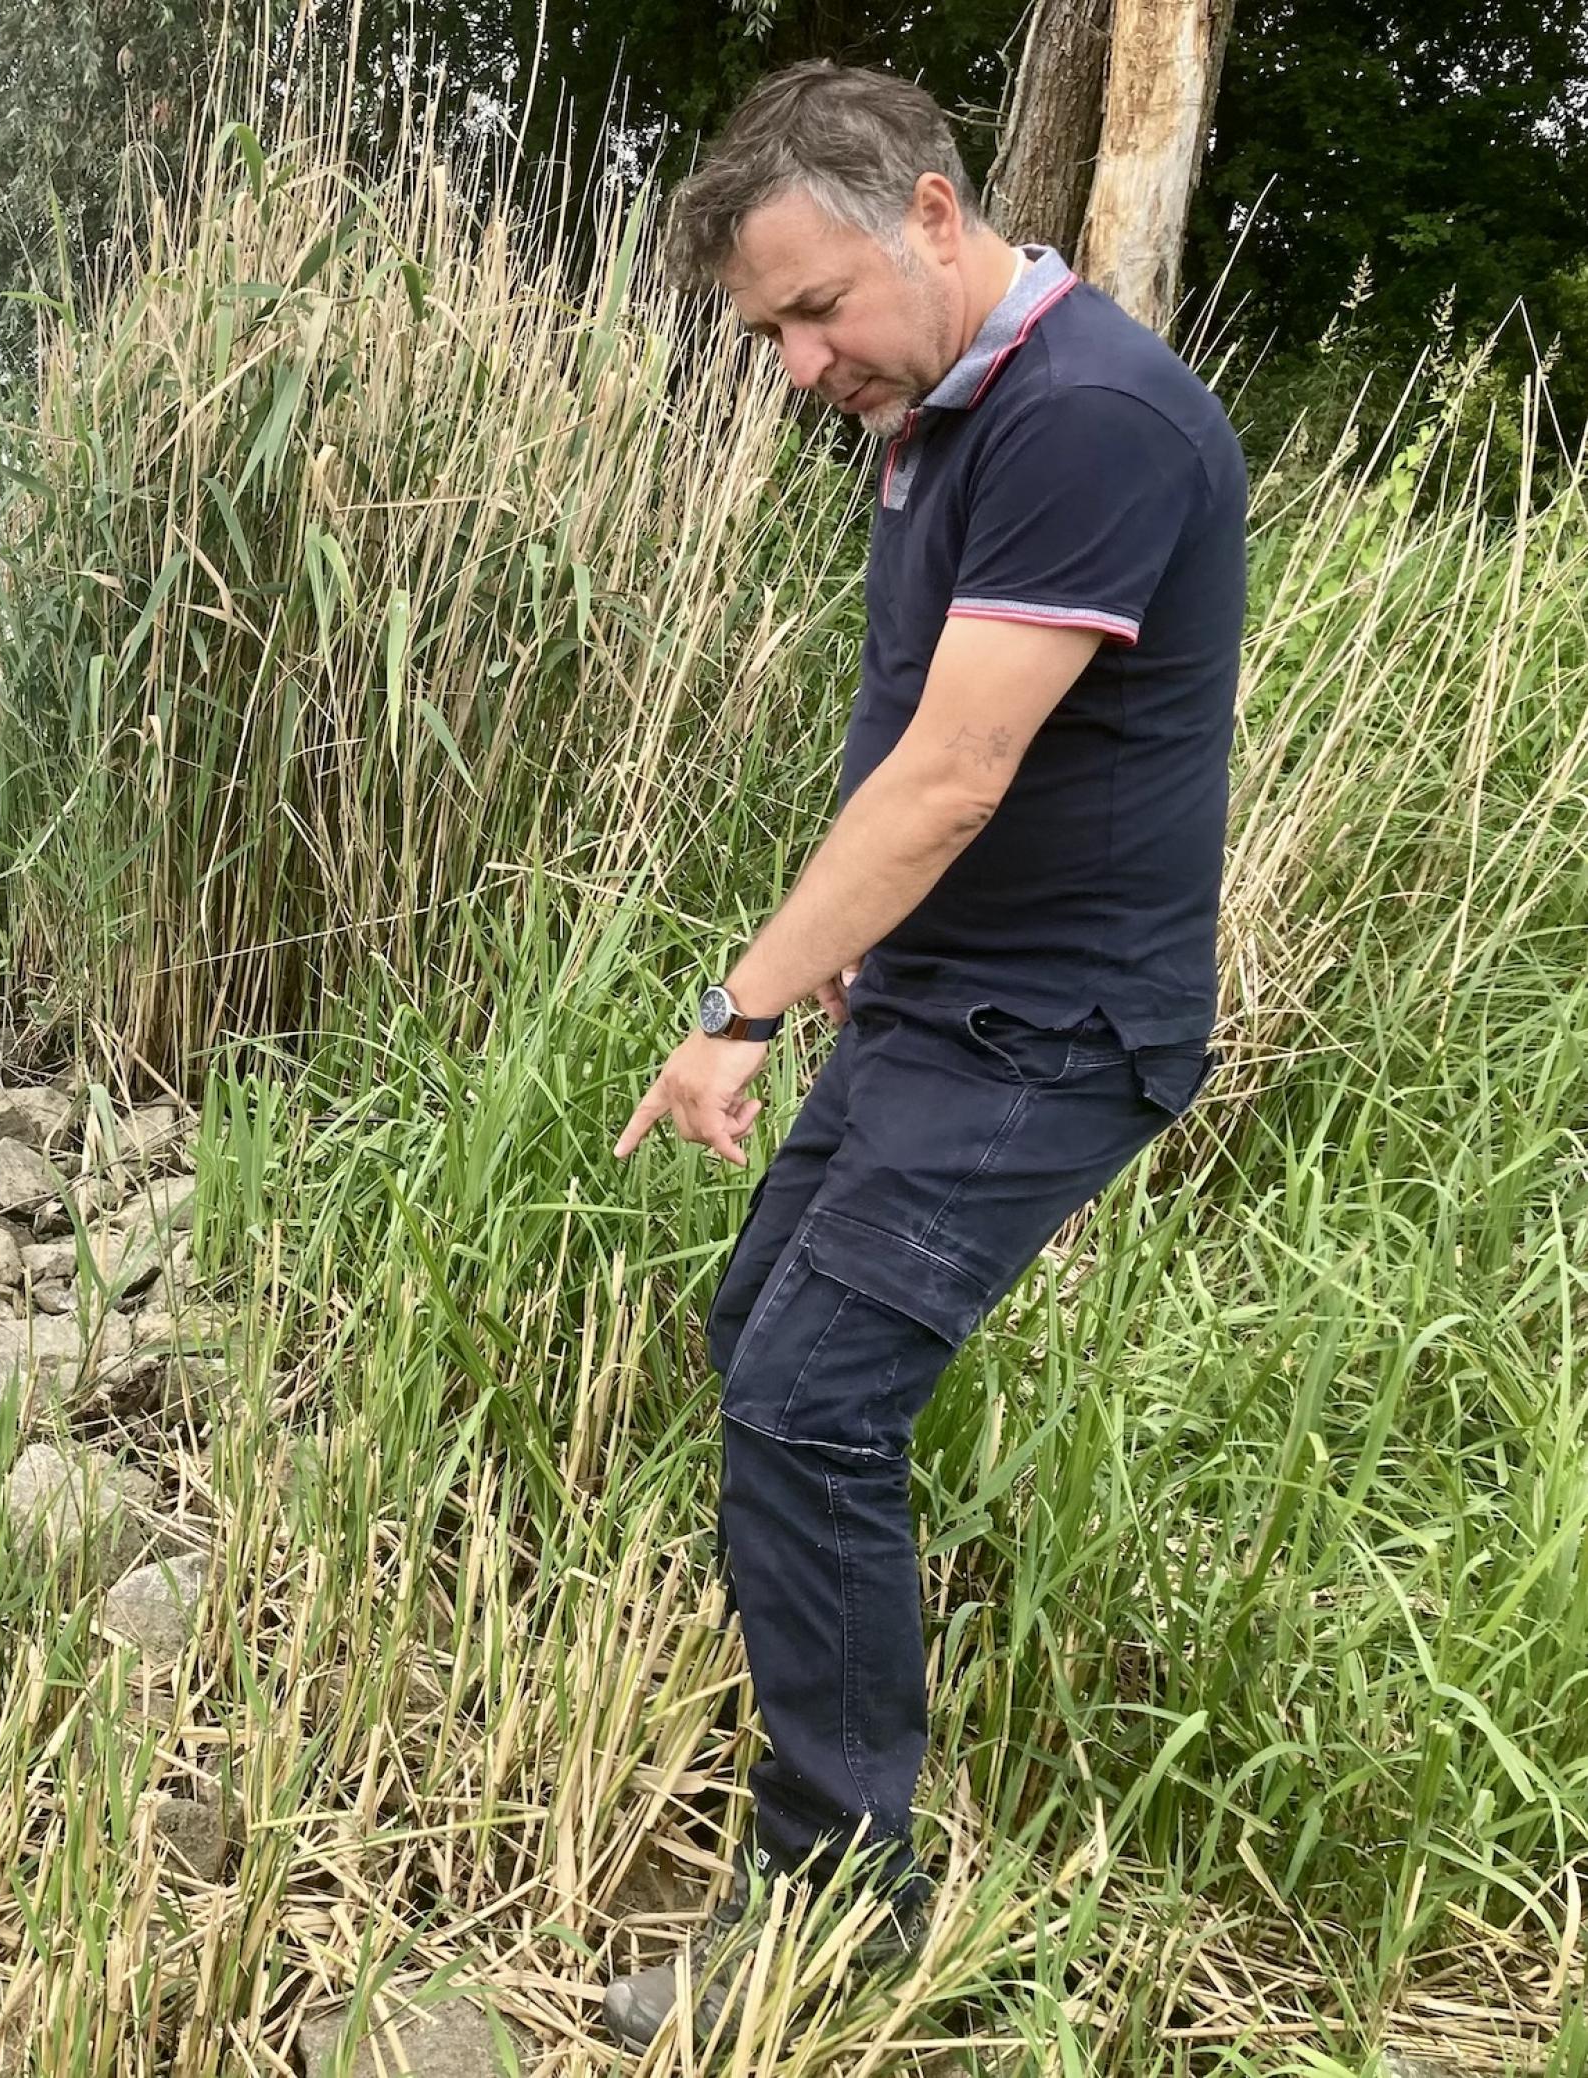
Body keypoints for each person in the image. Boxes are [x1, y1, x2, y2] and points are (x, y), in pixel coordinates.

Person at [602, 60, 1246, 2053]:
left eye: (818, 310)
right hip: (943, 997)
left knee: (804, 1405)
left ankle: (837, 1892)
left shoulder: (1092, 419)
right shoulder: (939, 402)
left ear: (939, 215)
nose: (798, 364)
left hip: (1050, 1029)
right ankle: (852, 1695)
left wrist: (744, 1008)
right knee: (760, 1339)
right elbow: (921, 741)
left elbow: (953, 774)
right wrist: (850, 976)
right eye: (767, 333)